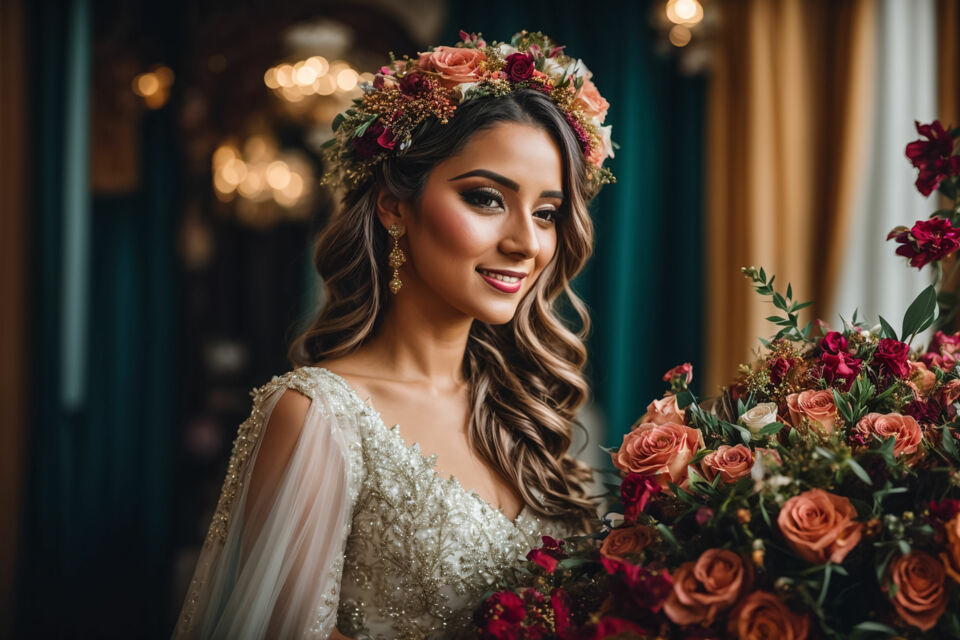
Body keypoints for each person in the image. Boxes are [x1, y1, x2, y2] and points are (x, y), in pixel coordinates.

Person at [172, 29, 616, 639]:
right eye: (487, 199)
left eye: (546, 212)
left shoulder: (535, 412)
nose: (526, 243)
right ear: (393, 205)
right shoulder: (318, 415)